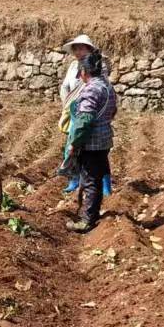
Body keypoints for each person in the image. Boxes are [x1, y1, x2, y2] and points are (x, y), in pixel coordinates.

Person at [58, 50, 118, 232]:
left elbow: (84, 119)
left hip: (91, 142)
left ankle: (86, 220)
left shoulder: (91, 88)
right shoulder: (107, 86)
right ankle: (93, 213)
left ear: (85, 71)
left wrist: (74, 143)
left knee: (90, 179)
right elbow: (113, 111)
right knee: (97, 177)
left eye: (80, 72)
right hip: (104, 138)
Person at [59, 35, 100, 193]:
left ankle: (91, 180)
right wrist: (67, 104)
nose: (78, 51)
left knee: (86, 147)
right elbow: (65, 86)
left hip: (87, 111)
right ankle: (74, 178)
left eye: (81, 48)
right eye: (76, 48)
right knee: (71, 144)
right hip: (72, 110)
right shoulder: (73, 67)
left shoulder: (95, 66)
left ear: (89, 49)